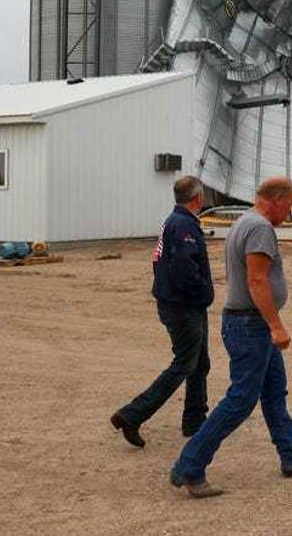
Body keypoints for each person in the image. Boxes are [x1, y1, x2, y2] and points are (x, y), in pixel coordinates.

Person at [169, 177, 292, 498]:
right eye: (290, 205)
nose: (290, 213)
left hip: (250, 324)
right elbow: (257, 280)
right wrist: (276, 325)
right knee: (240, 400)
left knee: (274, 392)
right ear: (276, 199)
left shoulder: (245, 222)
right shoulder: (260, 228)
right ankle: (190, 466)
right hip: (251, 325)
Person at [111, 176, 213, 448]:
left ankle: (195, 420)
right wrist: (203, 292)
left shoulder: (176, 221)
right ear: (198, 198)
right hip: (183, 307)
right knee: (184, 364)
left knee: (199, 364)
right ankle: (133, 415)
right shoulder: (183, 226)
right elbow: (184, 270)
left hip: (181, 304)